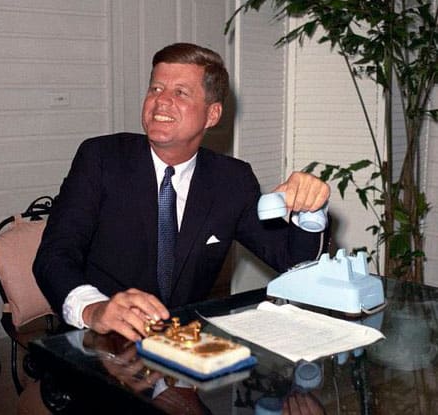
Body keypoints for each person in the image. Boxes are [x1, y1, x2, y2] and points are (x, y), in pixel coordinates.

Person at [33, 42, 330, 342]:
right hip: (99, 345)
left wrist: (311, 212)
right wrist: (94, 309)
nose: (161, 101)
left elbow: (293, 262)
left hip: (183, 349)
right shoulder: (100, 159)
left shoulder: (232, 180)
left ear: (212, 115)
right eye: (156, 89)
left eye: (180, 93)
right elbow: (54, 256)